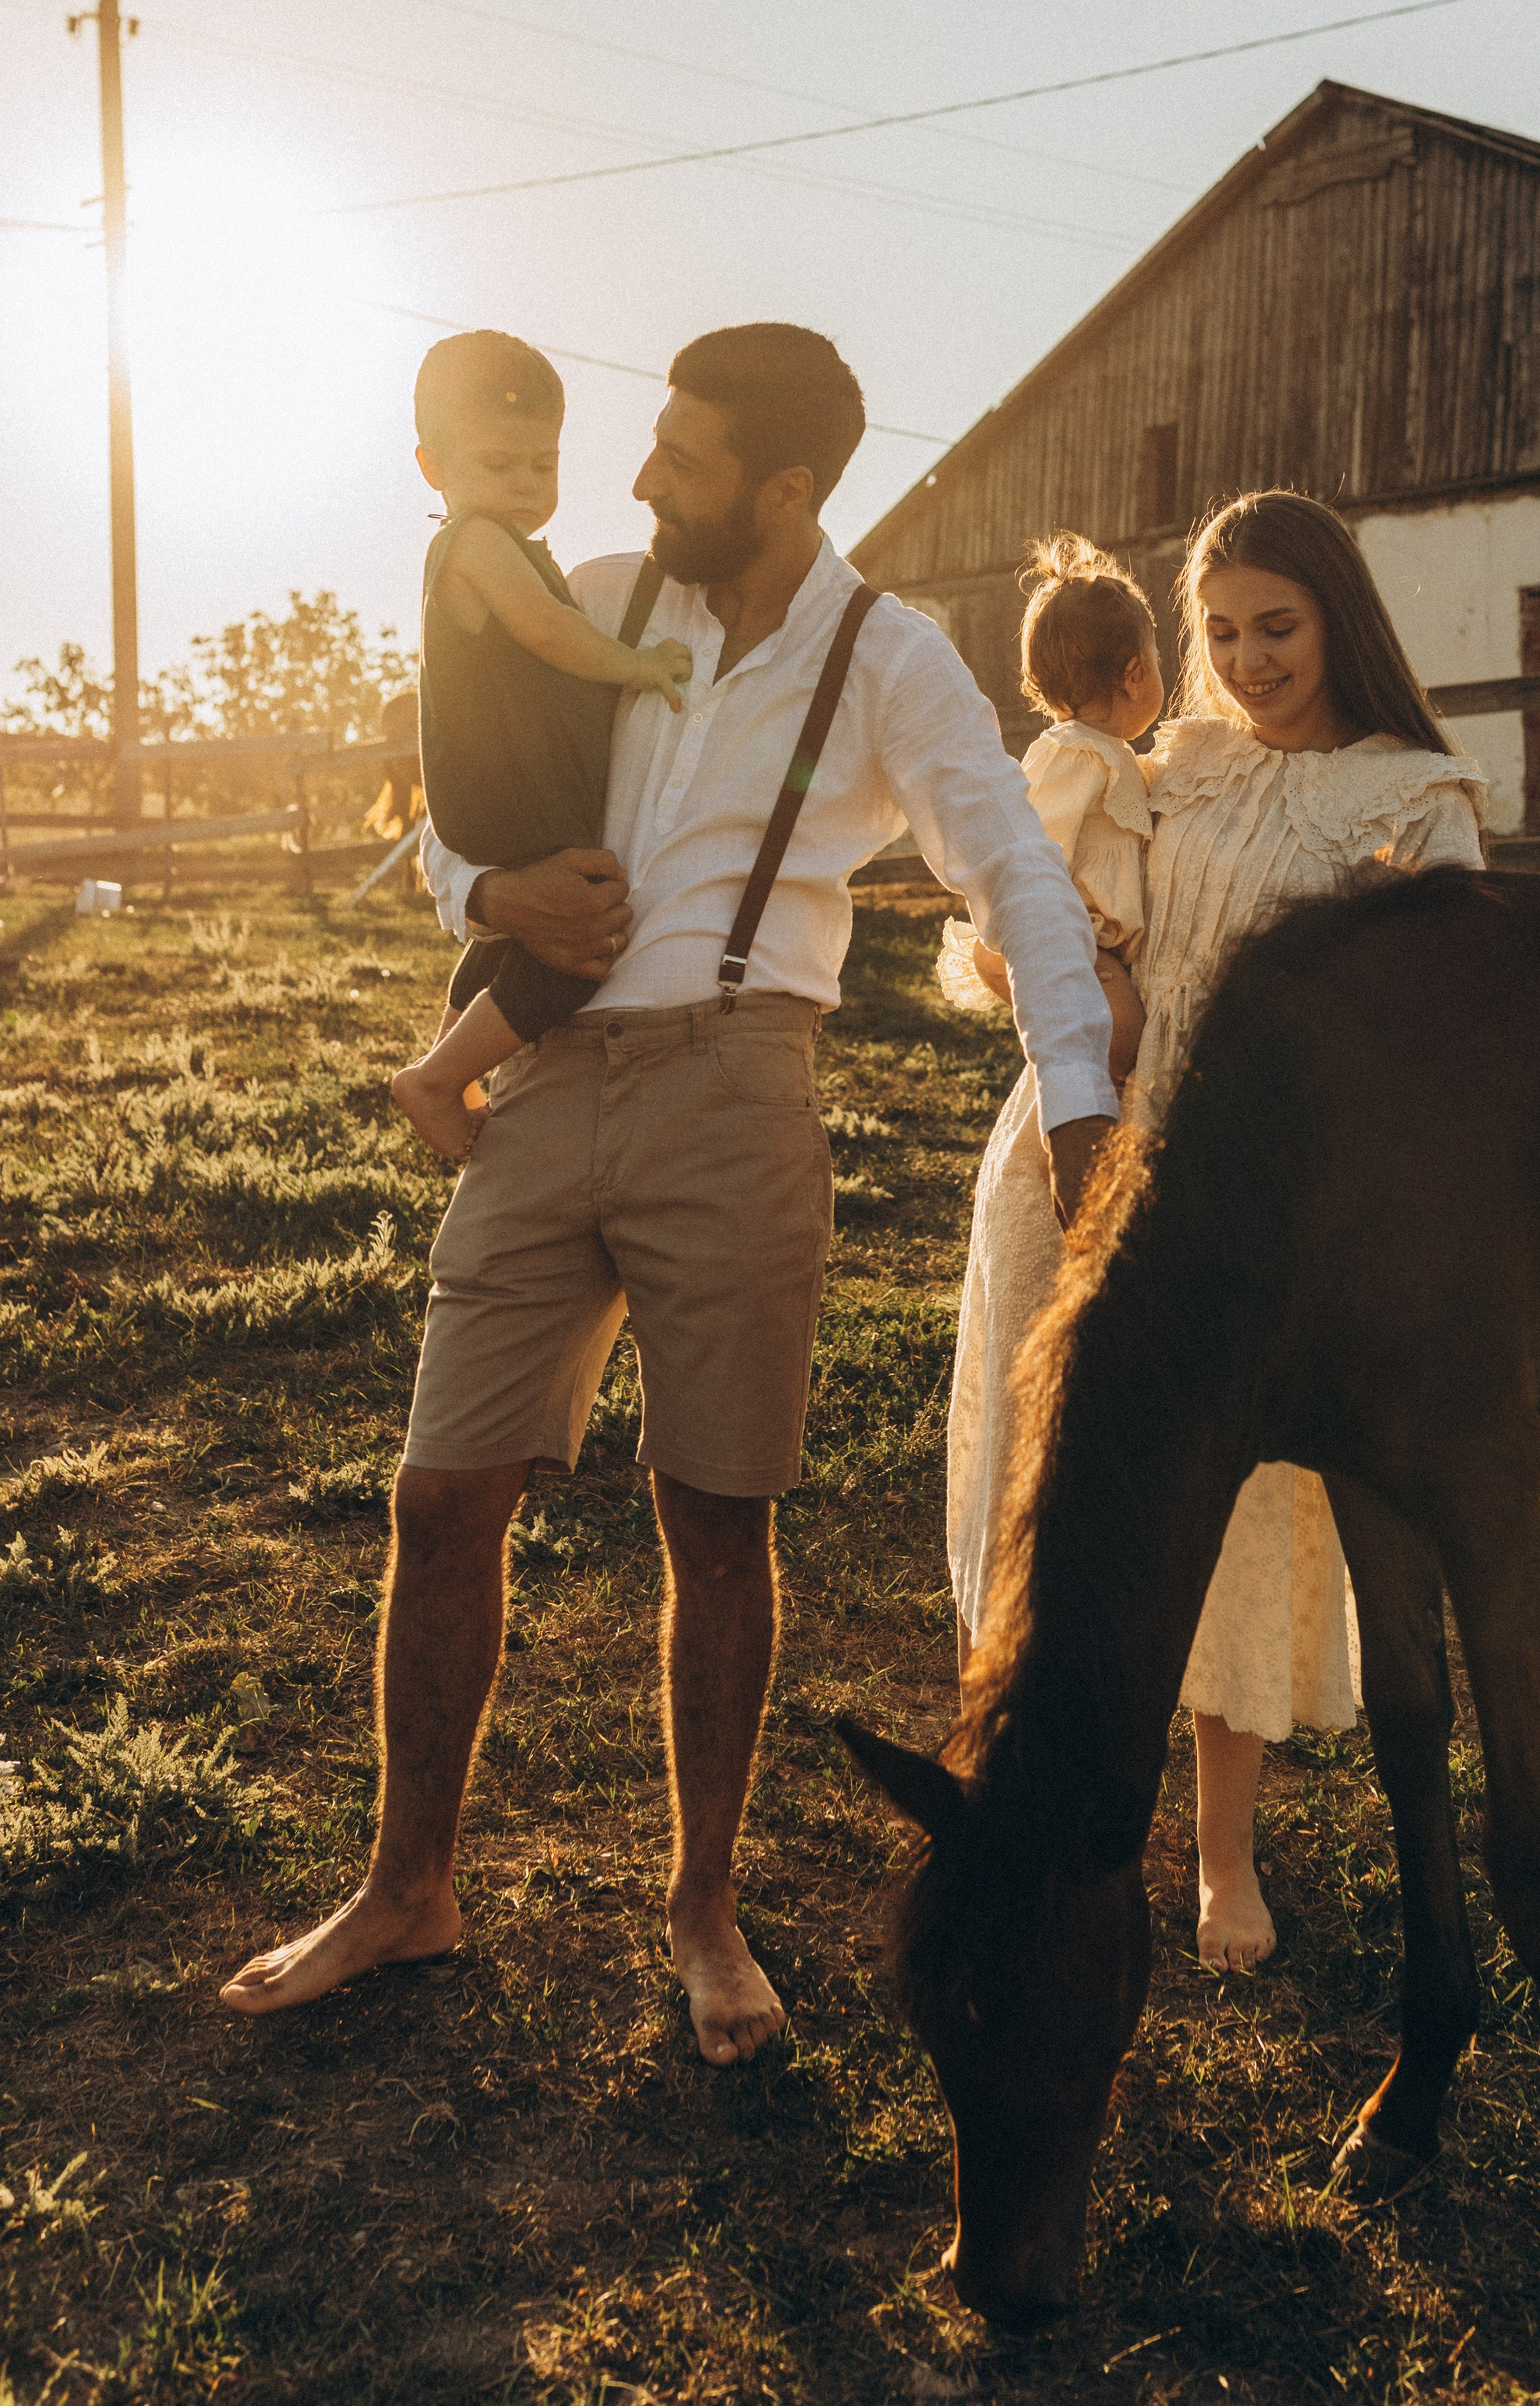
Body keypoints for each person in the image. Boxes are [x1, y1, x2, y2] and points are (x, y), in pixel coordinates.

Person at [219, 323, 1119, 2067]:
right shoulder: (606, 596)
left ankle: (704, 1909)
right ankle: (408, 1884)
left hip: (734, 1094)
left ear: (784, 490)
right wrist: (497, 888)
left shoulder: (890, 657)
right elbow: (452, 805)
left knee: (716, 1518)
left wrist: (1079, 1107)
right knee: (437, 1490)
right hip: (545, 1088)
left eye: (683, 458)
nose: (637, 479)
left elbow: (1011, 863)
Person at [1131, 489, 1486, 1969]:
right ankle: (1069, 1818)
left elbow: (1463, 1025)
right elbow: (1086, 915)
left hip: (1283, 1221)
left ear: (1338, 613)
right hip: (1110, 1173)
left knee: (1242, 1539)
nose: (1248, 660)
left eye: (1276, 626)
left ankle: (1224, 1857)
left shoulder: (1412, 795)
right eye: (1220, 634)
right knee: (1091, 1521)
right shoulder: (1177, 769)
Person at [388, 333, 694, 1159]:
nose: (524, 486)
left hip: (501, 782)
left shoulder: (501, 542)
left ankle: (451, 1064)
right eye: (498, 465)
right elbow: (551, 631)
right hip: (504, 785)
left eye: (542, 465)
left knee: (519, 935)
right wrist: (635, 665)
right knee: (579, 941)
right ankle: (437, 1076)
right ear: (434, 467)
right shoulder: (478, 544)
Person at [941, 534, 1160, 1664]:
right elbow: (1032, 871)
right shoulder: (1078, 760)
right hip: (1086, 969)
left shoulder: (1100, 755)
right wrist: (1079, 952)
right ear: (1134, 677)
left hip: (1104, 972)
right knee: (1111, 1038)